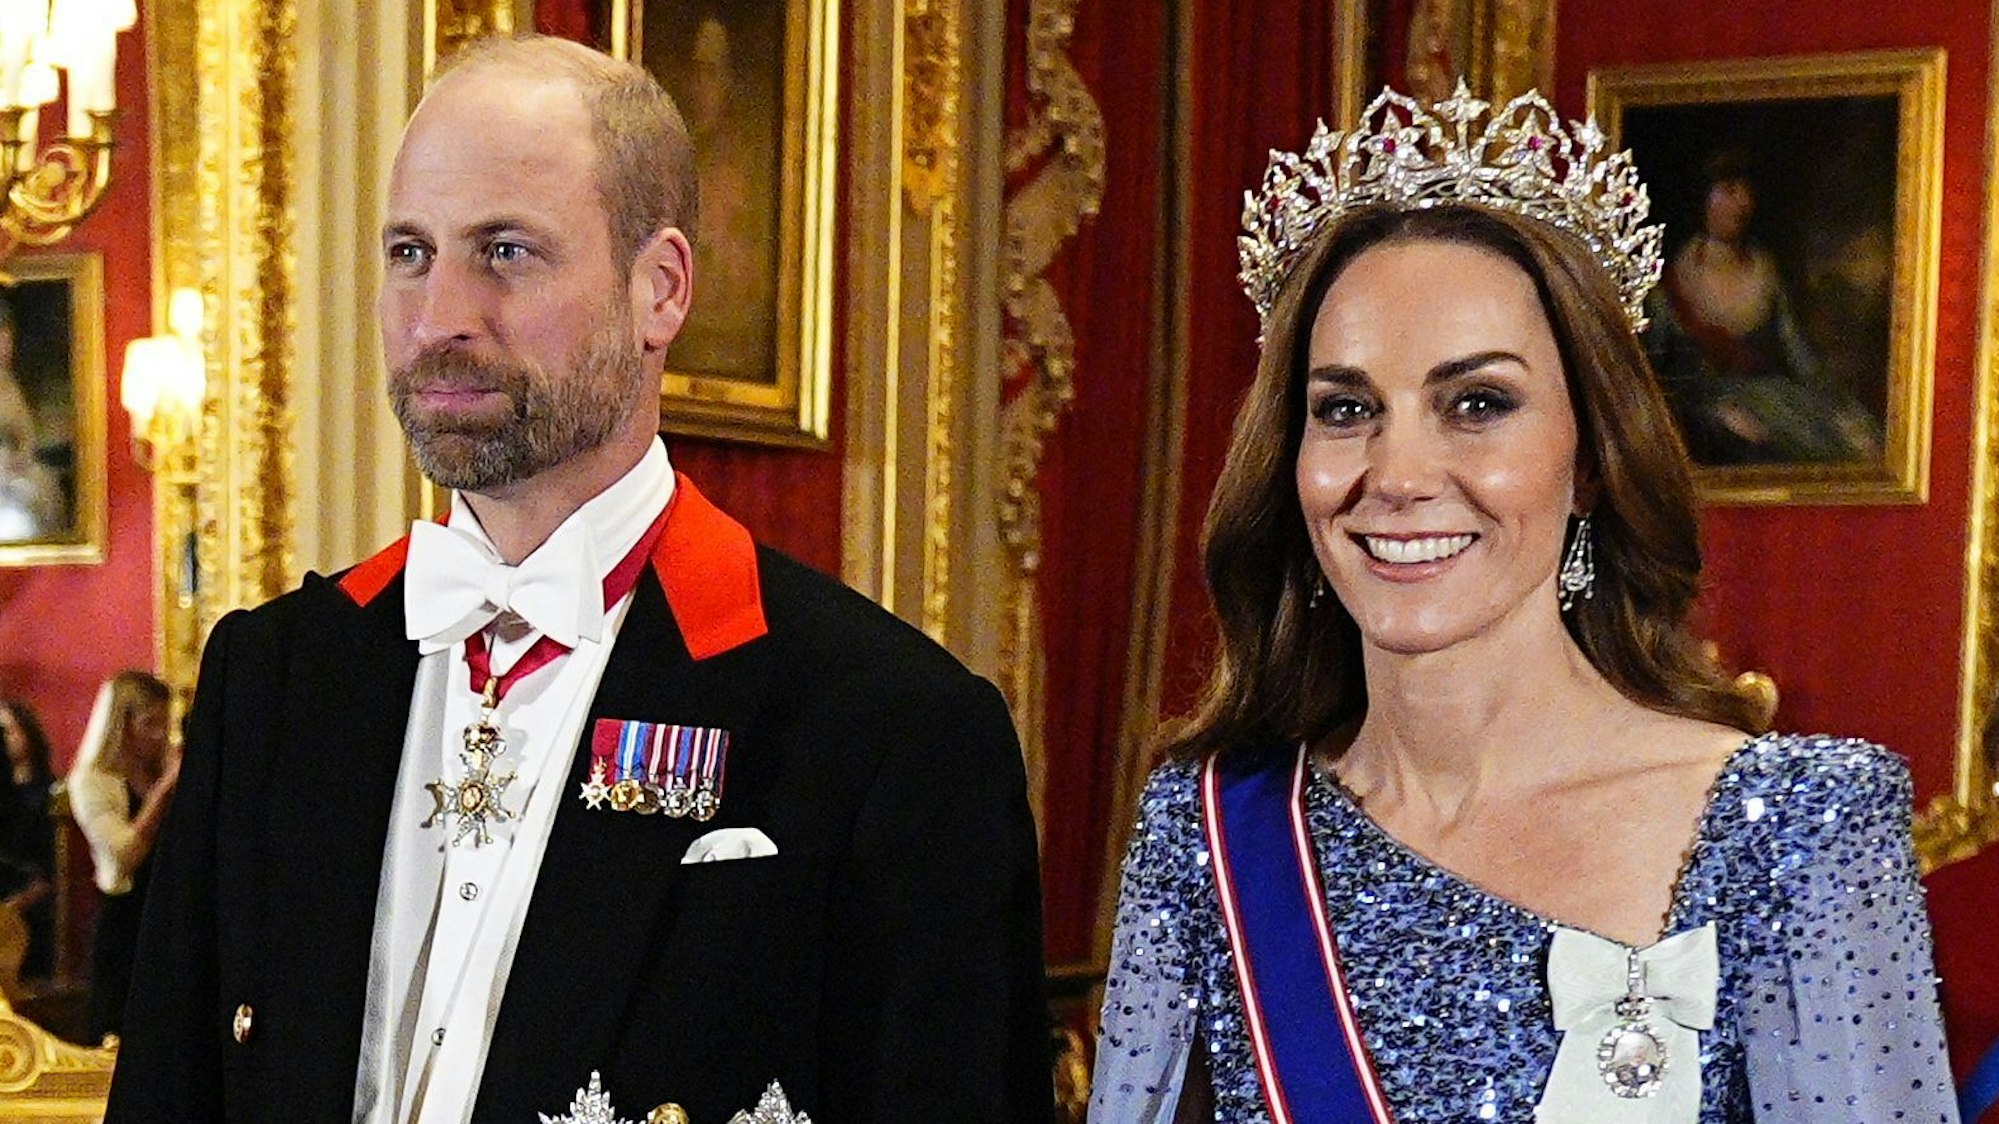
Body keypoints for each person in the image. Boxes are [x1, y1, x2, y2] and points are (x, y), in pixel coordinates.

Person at [106, 34, 1048, 1124]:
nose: (439, 315)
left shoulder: (890, 730)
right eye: (410, 252)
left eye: (504, 251)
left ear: (661, 289)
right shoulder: (273, 677)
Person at [1092, 87, 1955, 1124]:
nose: (1398, 471)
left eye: (1477, 403)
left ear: (1589, 457)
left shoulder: (1800, 829)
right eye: (1345, 408)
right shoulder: (1211, 832)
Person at [1642, 151, 1878, 466]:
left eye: (1747, 192)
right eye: (1730, 191)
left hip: (1776, 402)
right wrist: (1712, 410)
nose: (1743, 203)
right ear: (1703, 199)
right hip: (1708, 420)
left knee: (1848, 443)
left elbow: (1799, 356)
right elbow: (1654, 376)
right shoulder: (1672, 288)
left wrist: (1839, 408)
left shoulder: (1765, 274)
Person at [66, 671, 176, 1040]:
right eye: (150, 723)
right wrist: (163, 791)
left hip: (170, 912)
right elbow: (125, 853)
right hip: (125, 917)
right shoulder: (90, 780)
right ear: (122, 725)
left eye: (165, 722)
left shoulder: (159, 770)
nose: (160, 734)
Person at [0, 697, 57, 982]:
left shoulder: (48, 794)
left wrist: (10, 910)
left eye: (8, 730)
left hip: (31, 911)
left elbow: (48, 870)